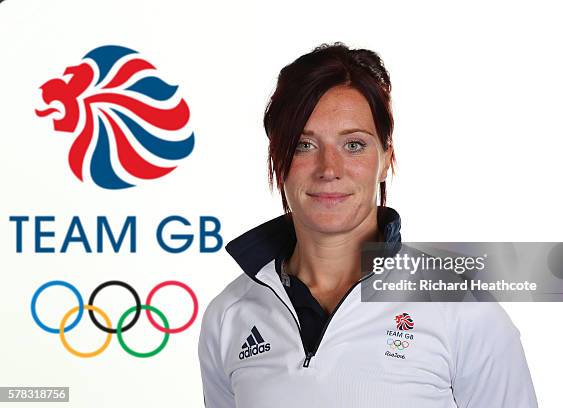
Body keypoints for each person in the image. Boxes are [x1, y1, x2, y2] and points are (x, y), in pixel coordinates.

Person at [198, 42, 538, 407]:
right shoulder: (229, 316)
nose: (330, 169)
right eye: (303, 145)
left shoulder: (461, 309)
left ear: (386, 156)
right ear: (277, 160)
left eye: (354, 145)